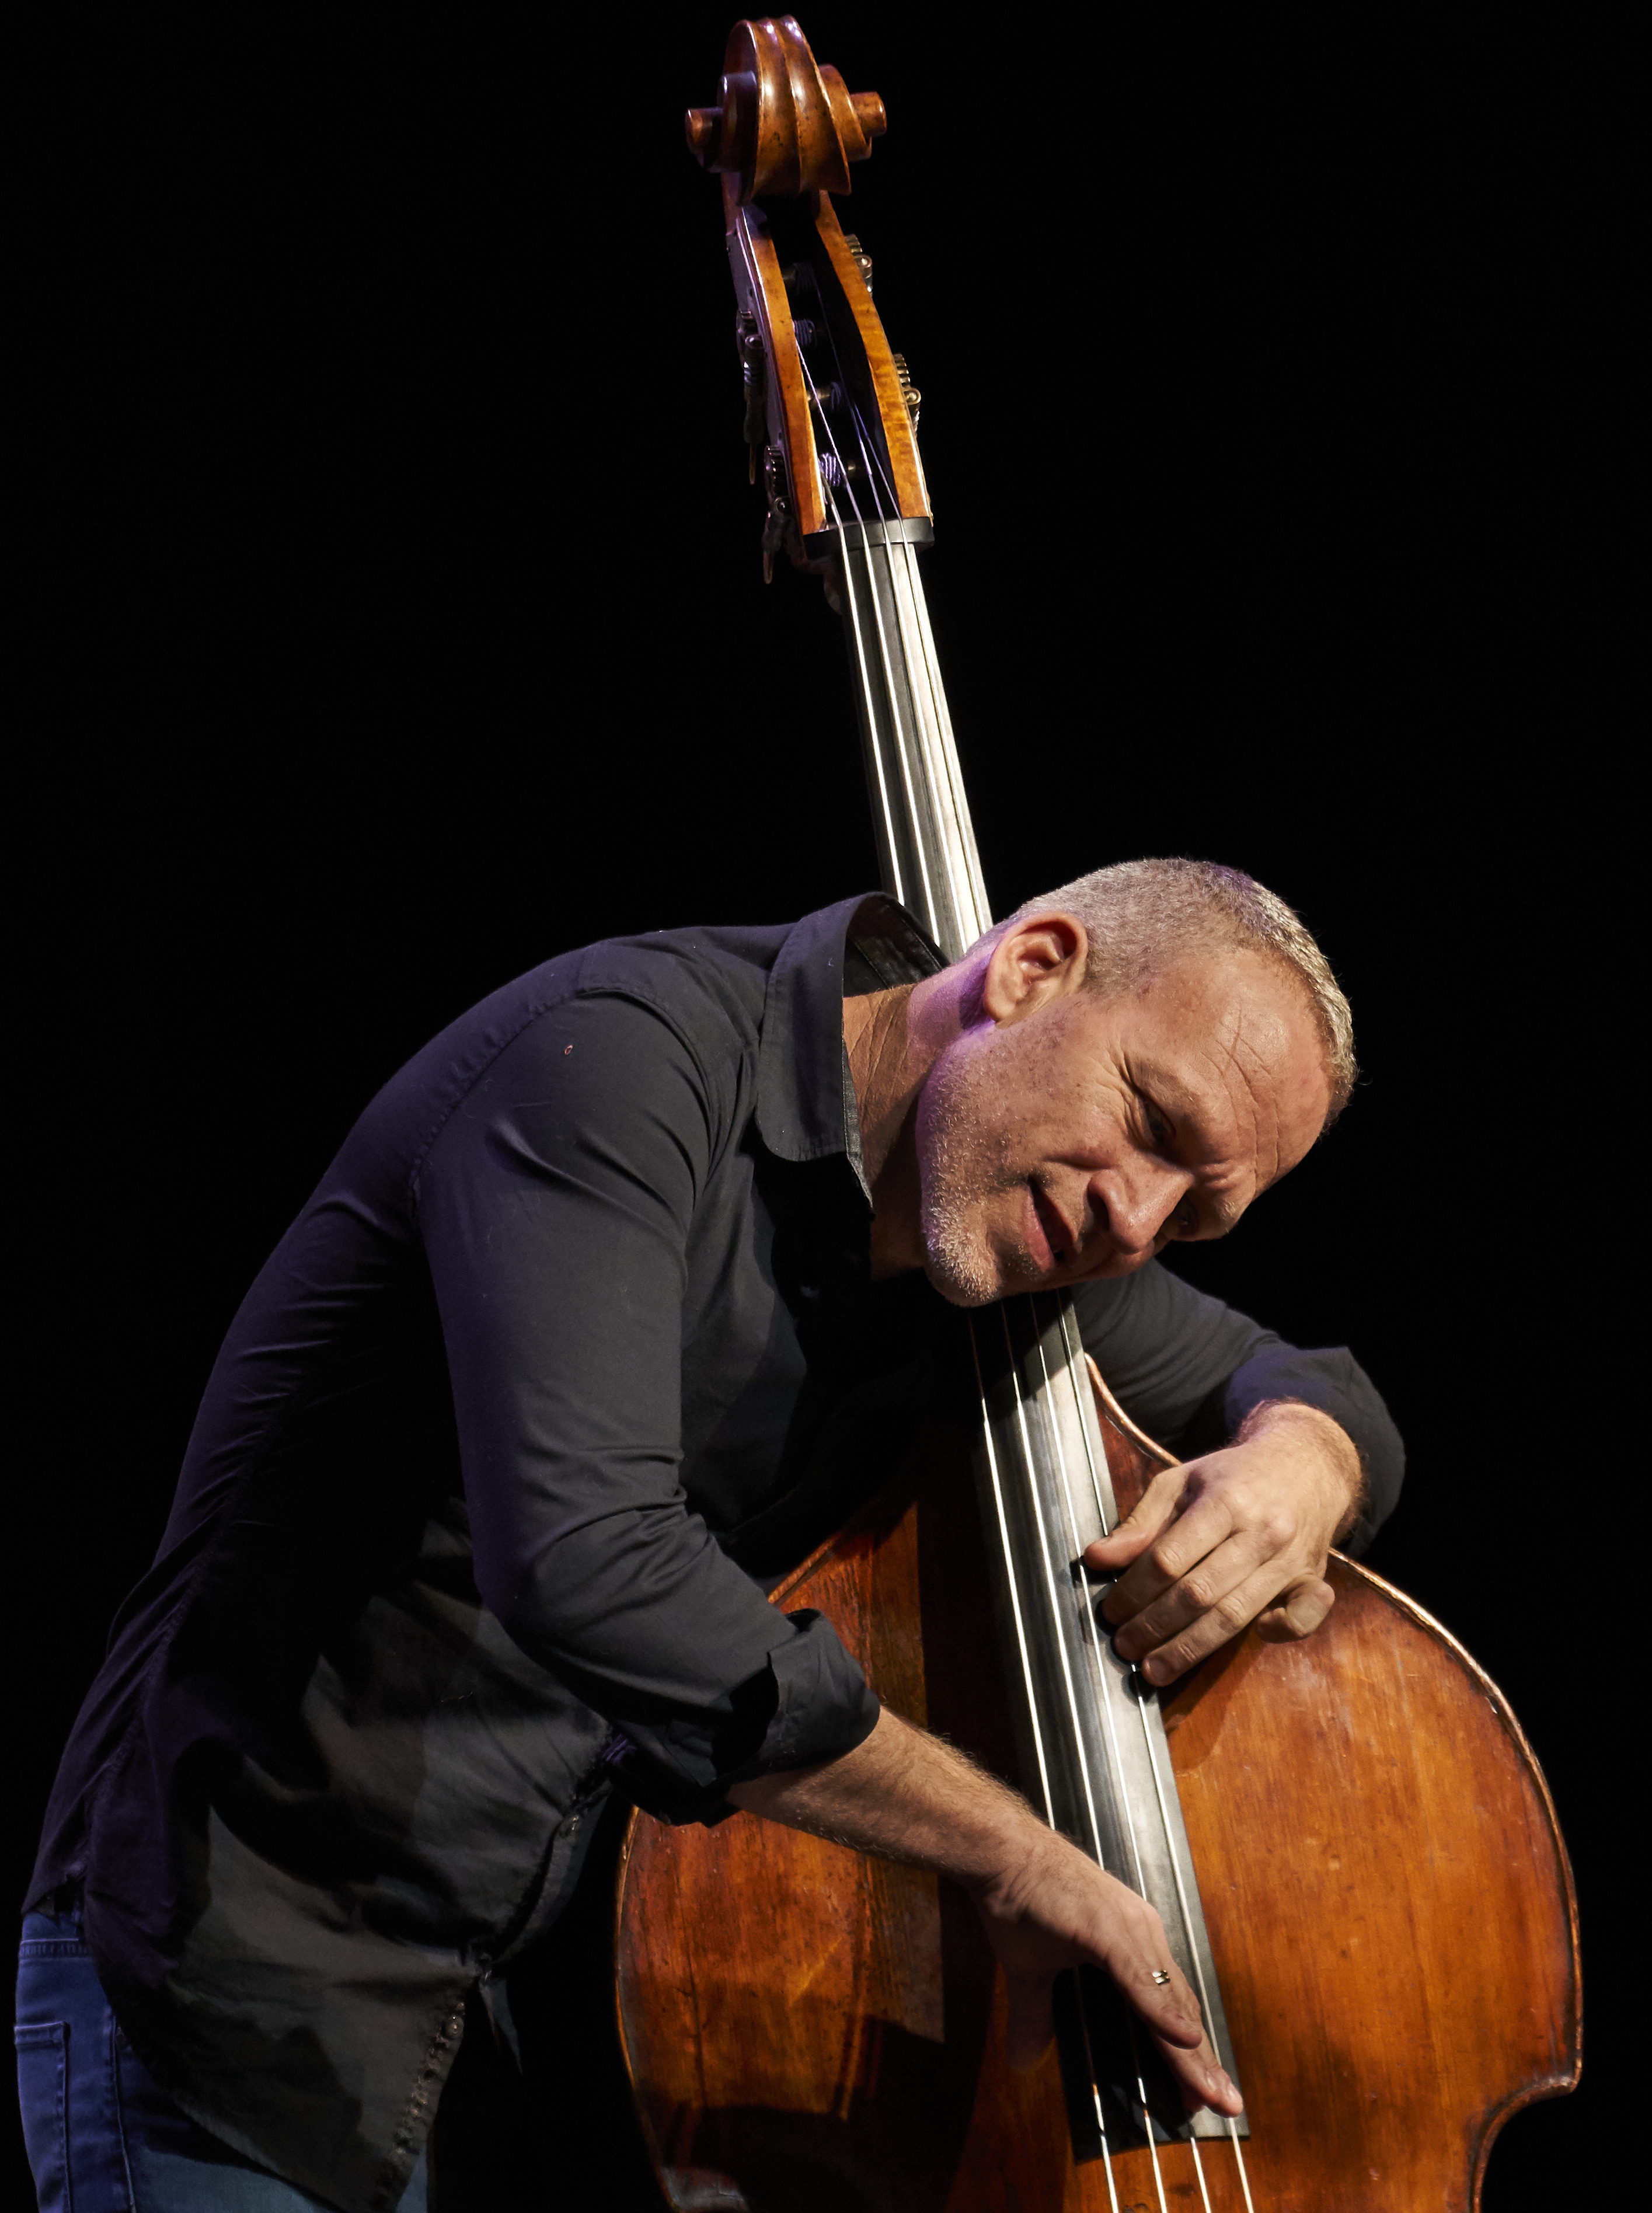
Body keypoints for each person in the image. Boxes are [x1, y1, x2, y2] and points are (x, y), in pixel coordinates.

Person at [18, 860, 1402, 2212]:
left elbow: (1313, 1387)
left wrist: (1303, 1467)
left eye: (1193, 1218)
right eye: (1151, 1125)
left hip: (540, 2062)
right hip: (239, 1978)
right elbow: (586, 1562)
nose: (1135, 1218)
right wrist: (1015, 1851)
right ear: (1033, 968)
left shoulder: (999, 1216)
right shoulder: (621, 1063)